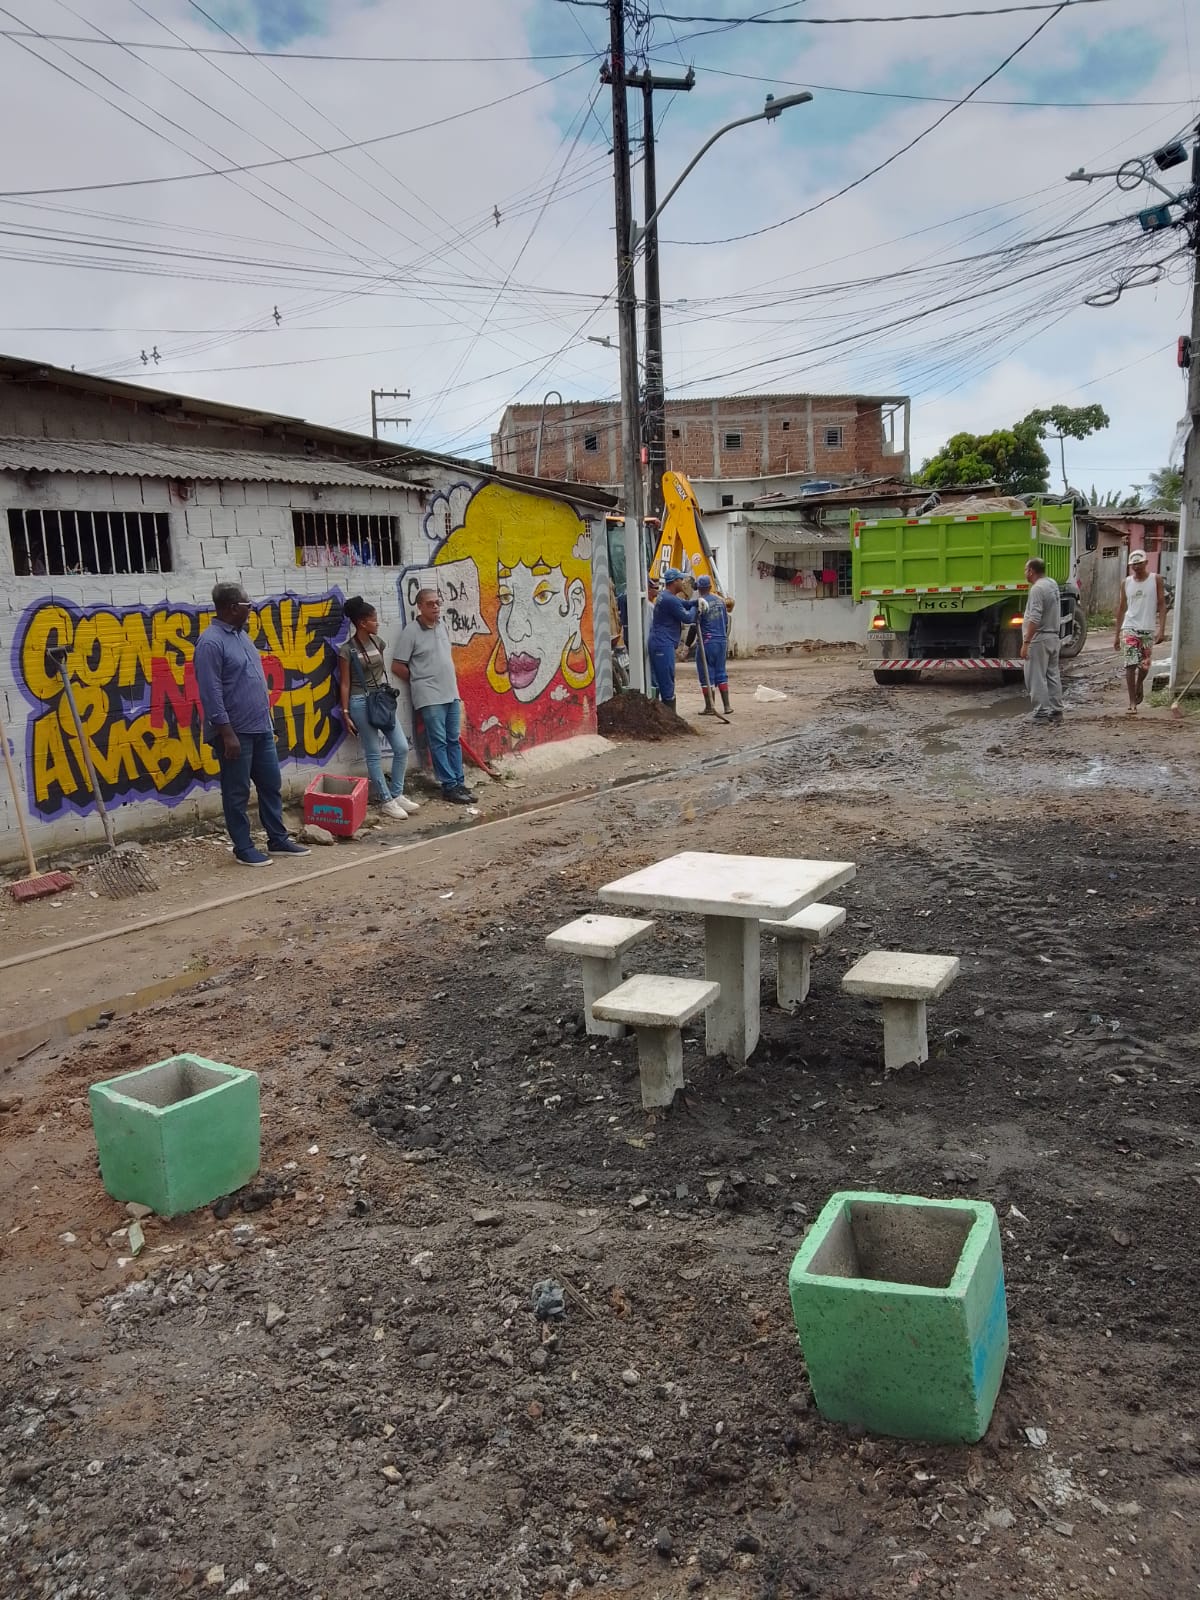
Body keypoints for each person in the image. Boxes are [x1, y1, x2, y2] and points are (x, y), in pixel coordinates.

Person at [194, 581, 310, 866]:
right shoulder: (211, 642)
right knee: (237, 792)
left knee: (271, 784)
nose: (252, 608)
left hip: (260, 727)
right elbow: (211, 692)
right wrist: (226, 732)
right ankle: (243, 847)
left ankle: (278, 840)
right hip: (234, 733)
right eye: (248, 604)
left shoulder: (241, 636)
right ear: (233, 608)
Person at [392, 588, 477, 806]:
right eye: (430, 604)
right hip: (429, 696)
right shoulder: (411, 631)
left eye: (438, 603)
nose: (436, 607)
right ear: (419, 606)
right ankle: (448, 786)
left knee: (453, 739)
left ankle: (459, 782)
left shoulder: (442, 627)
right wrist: (420, 679)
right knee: (438, 741)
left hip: (450, 692)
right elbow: (397, 665)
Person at [338, 596, 420, 822]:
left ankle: (397, 793)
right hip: (360, 702)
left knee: (401, 747)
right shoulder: (347, 651)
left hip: (381, 700)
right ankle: (386, 800)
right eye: (374, 620)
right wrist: (345, 713)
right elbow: (344, 683)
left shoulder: (378, 643)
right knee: (373, 753)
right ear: (362, 623)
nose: (378, 623)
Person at [1114, 549, 1167, 715]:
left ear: (1146, 563)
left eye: (1139, 563)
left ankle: (1139, 684)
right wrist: (1116, 635)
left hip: (1147, 628)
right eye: (1133, 564)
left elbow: (1161, 604)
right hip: (1129, 627)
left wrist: (1161, 629)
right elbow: (1122, 608)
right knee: (1130, 664)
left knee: (1144, 666)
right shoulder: (1126, 583)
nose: (1136, 567)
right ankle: (1132, 703)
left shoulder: (1155, 579)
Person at [1019, 558, 1064, 724]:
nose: (1025, 573)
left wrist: (1026, 642)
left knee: (1035, 676)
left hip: (1039, 638)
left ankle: (1041, 713)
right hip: (1053, 635)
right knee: (1052, 674)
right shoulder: (1051, 584)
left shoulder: (1037, 589)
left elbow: (1035, 617)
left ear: (1031, 571)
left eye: (1025, 570)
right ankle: (1056, 711)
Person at [647, 568, 699, 711]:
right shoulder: (669, 599)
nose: (683, 583)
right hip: (663, 644)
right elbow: (688, 618)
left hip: (660, 642)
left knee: (660, 680)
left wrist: (694, 602)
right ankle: (670, 717)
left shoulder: (666, 595)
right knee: (666, 681)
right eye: (680, 580)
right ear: (674, 581)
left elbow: (683, 604)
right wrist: (697, 607)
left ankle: (663, 716)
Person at [694, 575, 732, 715]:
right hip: (722, 641)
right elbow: (726, 622)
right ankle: (727, 706)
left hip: (707, 642)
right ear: (710, 587)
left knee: (706, 674)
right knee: (721, 672)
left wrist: (687, 646)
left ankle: (710, 707)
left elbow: (694, 624)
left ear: (698, 588)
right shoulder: (720, 601)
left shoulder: (700, 602)